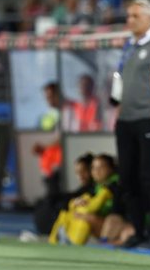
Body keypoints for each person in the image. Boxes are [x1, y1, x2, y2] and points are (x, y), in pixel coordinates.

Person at [114, 0, 150, 248]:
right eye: (128, 15)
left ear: (149, 19)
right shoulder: (128, 46)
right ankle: (138, 231)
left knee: (149, 178)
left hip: (147, 120)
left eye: (135, 16)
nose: (130, 20)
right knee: (128, 178)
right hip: (126, 121)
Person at [48, 153, 120, 245]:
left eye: (101, 167)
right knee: (67, 211)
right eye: (94, 168)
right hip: (103, 220)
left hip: (116, 223)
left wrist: (80, 205)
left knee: (85, 214)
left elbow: (93, 207)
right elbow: (85, 198)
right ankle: (55, 240)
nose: (96, 171)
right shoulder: (98, 186)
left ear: (111, 169)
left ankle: (73, 242)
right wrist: (75, 202)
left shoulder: (113, 185)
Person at [34, 152, 94, 235]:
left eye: (83, 171)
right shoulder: (84, 188)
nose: (80, 175)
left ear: (91, 170)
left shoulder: (96, 189)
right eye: (77, 172)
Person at [31, 81, 64, 233]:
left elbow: (65, 137)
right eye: (47, 97)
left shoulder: (68, 111)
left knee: (56, 196)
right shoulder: (51, 115)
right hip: (50, 165)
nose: (48, 100)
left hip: (61, 164)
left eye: (51, 96)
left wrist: (45, 147)